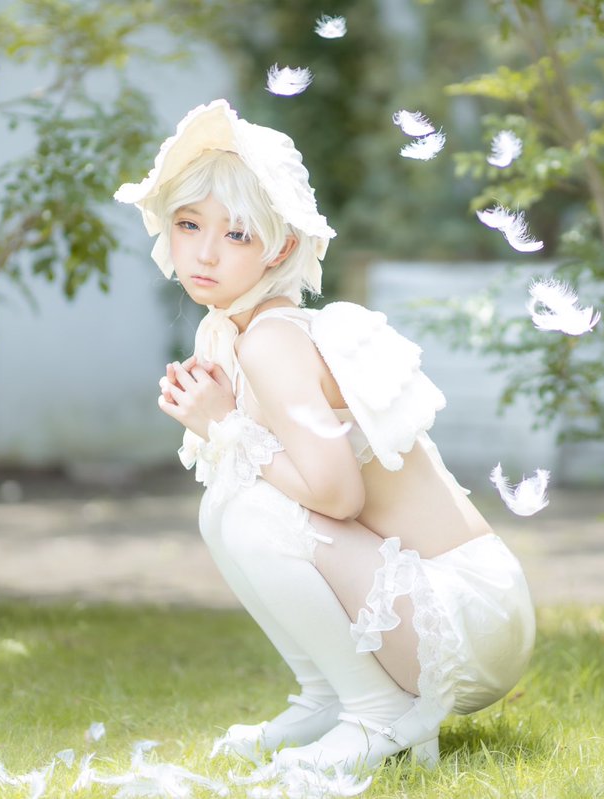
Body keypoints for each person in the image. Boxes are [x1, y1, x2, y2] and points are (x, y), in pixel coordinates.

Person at [114, 99, 535, 774]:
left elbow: (336, 495)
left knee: (249, 509)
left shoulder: (272, 341)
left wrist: (222, 424)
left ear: (280, 247)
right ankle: (329, 698)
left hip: (465, 616)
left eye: (238, 234)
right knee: (227, 503)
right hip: (453, 611)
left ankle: (379, 712)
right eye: (189, 224)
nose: (205, 251)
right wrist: (225, 430)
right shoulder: (249, 333)